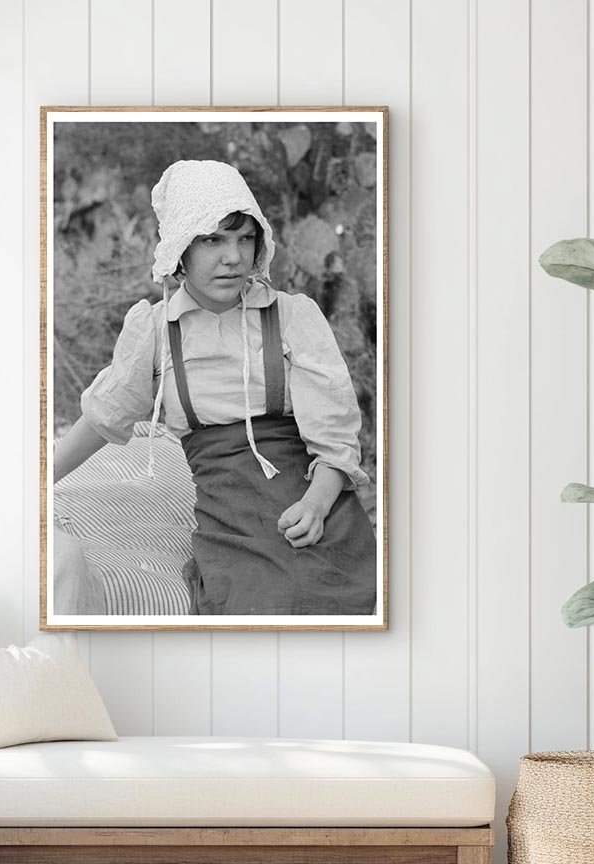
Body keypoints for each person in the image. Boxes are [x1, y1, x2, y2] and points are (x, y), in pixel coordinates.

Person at [54, 159, 376, 616]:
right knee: (262, 604)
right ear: (181, 250)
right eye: (213, 240)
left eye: (245, 238)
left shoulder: (291, 316)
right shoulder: (155, 330)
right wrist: (33, 487)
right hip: (231, 518)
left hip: (314, 501)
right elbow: (104, 416)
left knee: (349, 599)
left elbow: (337, 442)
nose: (234, 257)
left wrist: (317, 505)